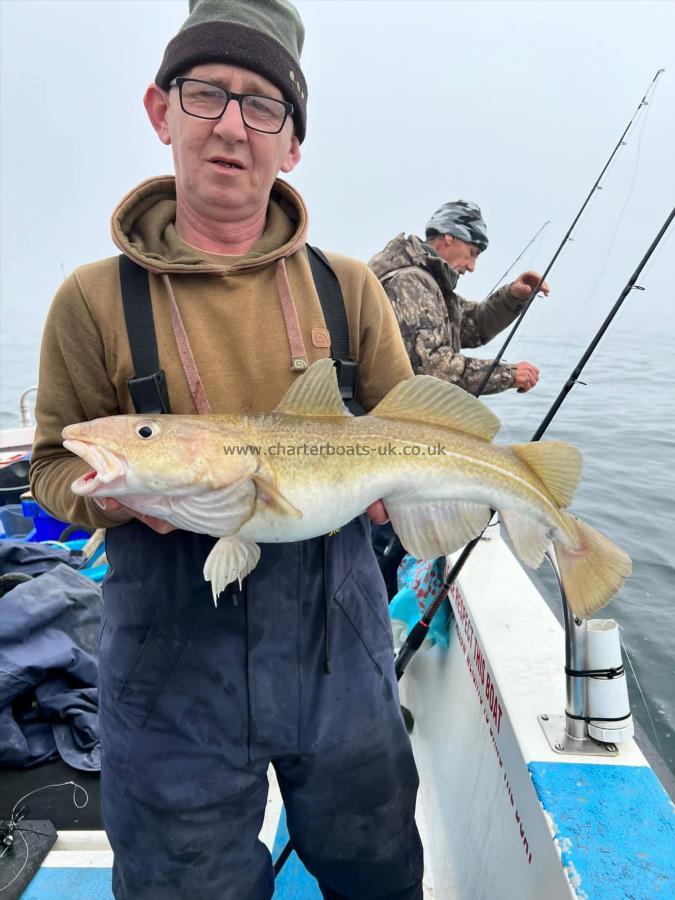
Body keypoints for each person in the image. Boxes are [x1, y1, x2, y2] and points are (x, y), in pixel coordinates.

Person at [29, 2, 423, 898]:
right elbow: (55, 459)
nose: (231, 126)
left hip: (341, 651)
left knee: (381, 868)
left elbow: (418, 431)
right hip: (171, 681)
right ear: (160, 110)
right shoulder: (92, 302)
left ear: (291, 143)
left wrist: (403, 490)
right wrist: (110, 497)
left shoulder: (349, 287)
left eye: (262, 105)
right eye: (205, 93)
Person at [369, 199, 550, 395]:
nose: (472, 267)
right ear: (449, 237)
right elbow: (433, 369)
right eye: (472, 253)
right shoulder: (409, 283)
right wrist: (509, 374)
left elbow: (473, 326)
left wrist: (513, 296)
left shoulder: (430, 285)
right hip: (390, 416)